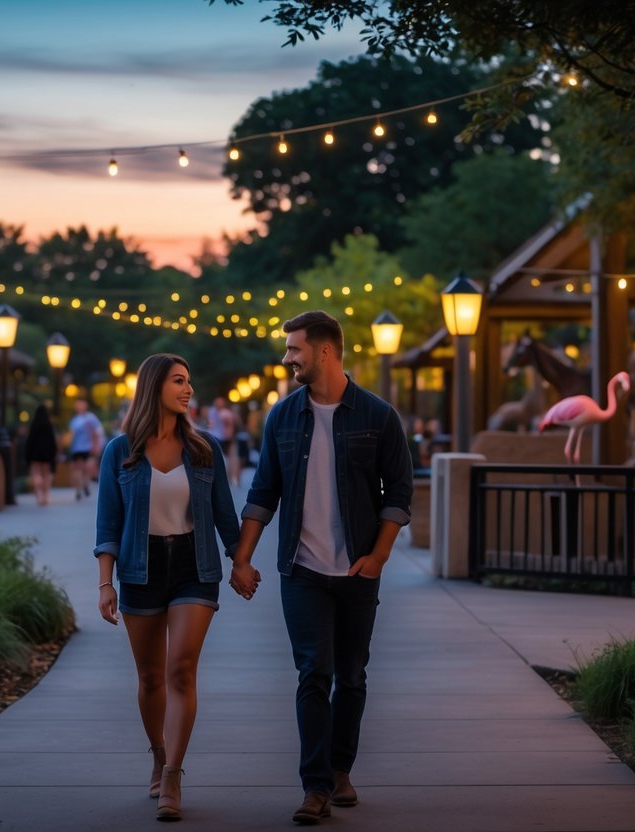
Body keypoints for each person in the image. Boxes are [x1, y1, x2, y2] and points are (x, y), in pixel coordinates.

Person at [227, 310, 413, 825]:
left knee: (351, 676)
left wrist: (378, 556)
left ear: (324, 351)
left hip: (357, 570)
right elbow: (264, 490)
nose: (287, 358)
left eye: (294, 350)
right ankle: (315, 787)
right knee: (314, 673)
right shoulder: (283, 417)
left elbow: (399, 490)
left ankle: (340, 768)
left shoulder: (378, 416)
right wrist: (241, 558)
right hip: (302, 570)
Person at [94, 353, 241, 822]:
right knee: (151, 677)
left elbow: (224, 515)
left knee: (181, 669)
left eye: (189, 381)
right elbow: (108, 522)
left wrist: (241, 562)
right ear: (154, 386)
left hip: (194, 567)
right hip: (139, 568)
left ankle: (173, 774)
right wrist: (104, 583)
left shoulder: (204, 449)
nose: (188, 389)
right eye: (179, 381)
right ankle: (158, 753)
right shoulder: (121, 451)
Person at [67, 398, 103, 500]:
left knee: (79, 469)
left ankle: (80, 488)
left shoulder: (76, 420)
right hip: (85, 447)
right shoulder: (90, 418)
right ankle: (84, 486)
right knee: (84, 469)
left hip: (78, 448)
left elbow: (71, 435)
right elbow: (98, 432)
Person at [24, 403, 59, 505]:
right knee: (46, 475)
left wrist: (28, 455)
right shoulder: (49, 426)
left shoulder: (33, 426)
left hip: (35, 454)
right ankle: (46, 496)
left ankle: (38, 496)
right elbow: (53, 442)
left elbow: (29, 441)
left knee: (36, 474)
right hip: (47, 454)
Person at [204, 396, 239, 486]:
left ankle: (225, 477)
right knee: (222, 458)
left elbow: (229, 426)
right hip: (217, 437)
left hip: (220, 438)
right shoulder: (218, 412)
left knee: (223, 458)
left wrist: (228, 436)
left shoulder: (223, 413)